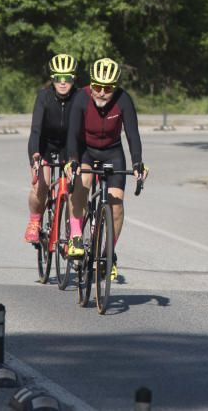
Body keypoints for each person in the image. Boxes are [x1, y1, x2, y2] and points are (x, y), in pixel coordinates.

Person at [64, 58, 147, 281]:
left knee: (117, 204)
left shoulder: (123, 100)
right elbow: (72, 133)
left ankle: (108, 254)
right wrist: (72, 160)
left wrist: (137, 163)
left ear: (115, 87)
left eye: (107, 88)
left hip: (112, 152)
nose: (101, 93)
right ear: (91, 85)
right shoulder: (81, 98)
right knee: (84, 182)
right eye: (97, 87)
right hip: (86, 151)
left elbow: (132, 134)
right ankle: (76, 235)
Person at [24, 54, 78, 244]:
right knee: (42, 185)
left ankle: (73, 232)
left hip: (68, 145)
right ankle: (35, 221)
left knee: (74, 188)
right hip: (44, 145)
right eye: (58, 79)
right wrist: (35, 155)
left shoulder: (79, 98)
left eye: (67, 79)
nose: (63, 83)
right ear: (52, 80)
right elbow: (36, 129)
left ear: (74, 79)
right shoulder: (44, 97)